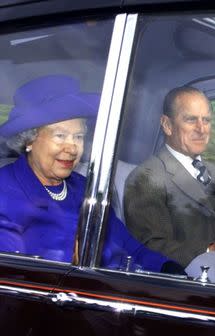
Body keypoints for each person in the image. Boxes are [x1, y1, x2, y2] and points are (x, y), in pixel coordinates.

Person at [0, 74, 183, 274]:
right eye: (60, 136)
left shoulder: (84, 187)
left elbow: (132, 248)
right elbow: (15, 278)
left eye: (78, 136)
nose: (72, 148)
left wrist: (169, 268)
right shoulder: (5, 193)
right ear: (29, 140)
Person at [124, 86, 215, 268]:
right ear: (167, 125)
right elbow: (150, 245)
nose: (201, 129)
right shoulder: (147, 177)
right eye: (191, 120)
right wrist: (212, 249)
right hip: (196, 281)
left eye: (206, 120)